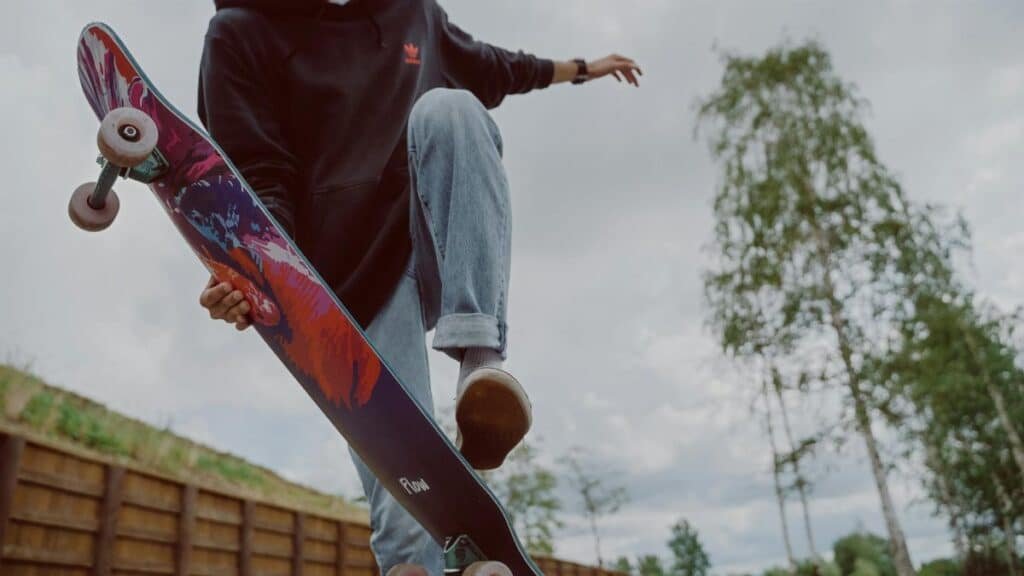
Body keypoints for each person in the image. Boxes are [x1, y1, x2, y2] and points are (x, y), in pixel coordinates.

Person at [195, 0, 641, 572]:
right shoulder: (240, 32)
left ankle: (480, 369)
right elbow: (258, 173)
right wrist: (252, 273)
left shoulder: (414, 13)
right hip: (344, 284)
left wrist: (581, 68)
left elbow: (495, 67)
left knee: (453, 110)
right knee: (409, 509)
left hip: (428, 234)